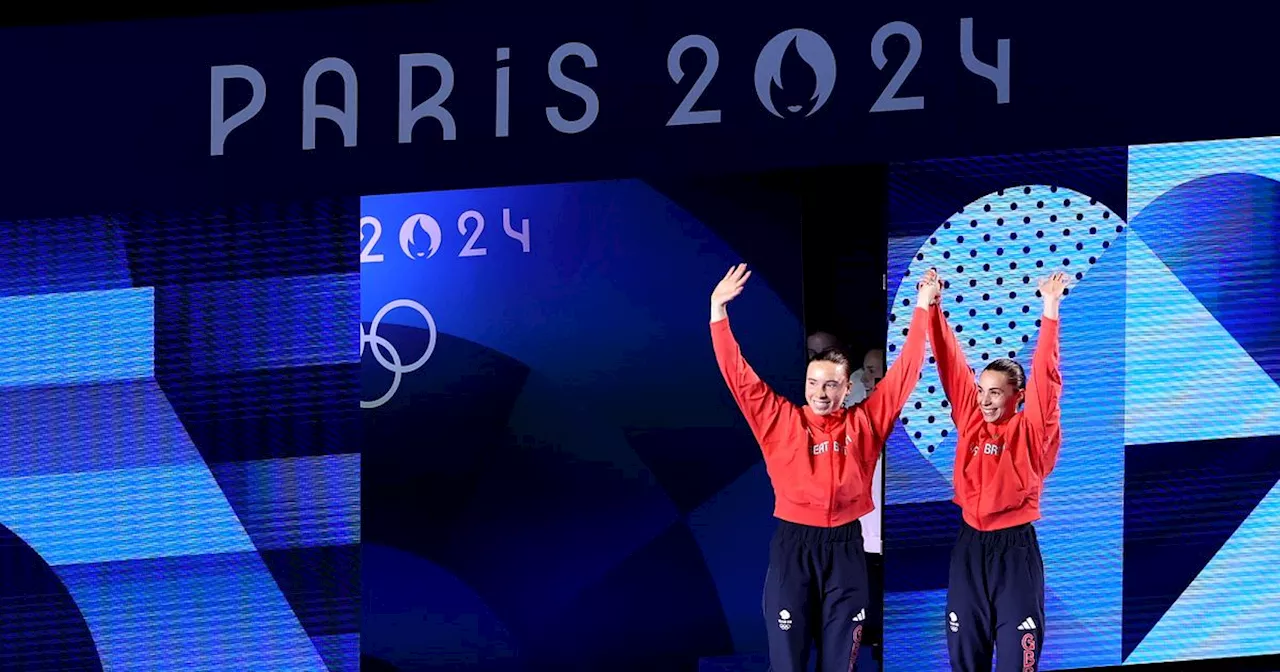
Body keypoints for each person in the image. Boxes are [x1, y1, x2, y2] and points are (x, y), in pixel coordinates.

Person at [710, 263, 939, 672]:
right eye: (814, 382)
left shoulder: (866, 422)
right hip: (793, 548)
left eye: (831, 384)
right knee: (787, 665)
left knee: (841, 664)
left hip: (847, 551)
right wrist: (717, 311)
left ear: (846, 387)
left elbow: (906, 372)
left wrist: (922, 306)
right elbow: (737, 375)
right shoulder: (778, 419)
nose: (821, 391)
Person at [925, 269, 1068, 672]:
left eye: (995, 392)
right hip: (969, 548)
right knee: (965, 660)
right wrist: (934, 307)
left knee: (1014, 662)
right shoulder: (971, 419)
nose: (985, 400)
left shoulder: (1031, 429)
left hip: (1014, 552)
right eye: (981, 391)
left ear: (1017, 396)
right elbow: (951, 366)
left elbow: (1046, 380)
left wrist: (1050, 309)